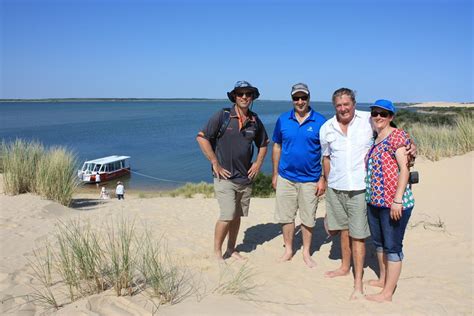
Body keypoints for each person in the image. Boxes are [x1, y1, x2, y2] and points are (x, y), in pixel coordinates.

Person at [319, 88, 416, 299]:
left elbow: (399, 141)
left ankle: (362, 285)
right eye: (339, 105)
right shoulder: (327, 128)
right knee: (347, 231)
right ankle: (350, 269)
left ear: (354, 103)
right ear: (334, 106)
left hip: (368, 191)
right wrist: (326, 182)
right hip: (349, 190)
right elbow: (326, 158)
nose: (343, 108)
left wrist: (411, 146)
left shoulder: (367, 120)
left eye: (347, 104)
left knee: (364, 237)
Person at [196, 80, 269, 262]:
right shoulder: (223, 116)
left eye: (248, 94)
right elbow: (201, 137)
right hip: (224, 177)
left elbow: (264, 143)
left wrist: (258, 164)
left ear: (252, 97)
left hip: (245, 178)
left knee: (237, 217)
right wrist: (214, 162)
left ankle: (231, 249)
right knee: (227, 215)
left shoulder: (254, 120)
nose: (244, 97)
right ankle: (217, 252)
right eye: (240, 94)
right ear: (234, 97)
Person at [272, 83, 327, 268]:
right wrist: (274, 174)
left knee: (308, 218)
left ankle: (306, 252)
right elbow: (277, 146)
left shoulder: (320, 121)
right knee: (286, 217)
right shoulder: (283, 119)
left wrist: (322, 178)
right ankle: (288, 249)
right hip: (286, 177)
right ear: (292, 99)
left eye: (303, 97)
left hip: (311, 179)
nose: (300, 101)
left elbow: (327, 153)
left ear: (309, 98)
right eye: (296, 98)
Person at [364, 99, 414, 302]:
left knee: (393, 246)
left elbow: (405, 169)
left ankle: (387, 293)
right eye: (375, 113)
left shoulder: (397, 136)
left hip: (393, 203)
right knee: (379, 243)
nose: (378, 117)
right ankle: (383, 279)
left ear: (391, 117)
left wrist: (397, 200)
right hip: (375, 201)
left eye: (383, 114)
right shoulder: (374, 139)